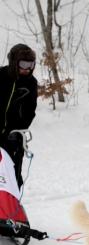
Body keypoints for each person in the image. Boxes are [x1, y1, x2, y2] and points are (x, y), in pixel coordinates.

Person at [0, 43, 37, 188]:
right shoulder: (1, 76)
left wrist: (18, 131)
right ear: (14, 62)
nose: (26, 69)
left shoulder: (31, 83)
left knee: (12, 176)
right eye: (23, 64)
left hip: (13, 137)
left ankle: (12, 205)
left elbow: (30, 111)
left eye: (30, 64)